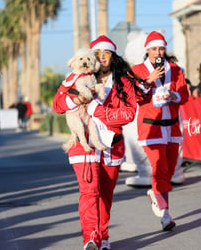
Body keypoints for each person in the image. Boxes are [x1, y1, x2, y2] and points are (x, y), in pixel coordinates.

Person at [53, 35, 144, 250]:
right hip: (84, 145)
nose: (102, 58)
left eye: (107, 54)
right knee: (89, 191)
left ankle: (103, 237)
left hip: (112, 145)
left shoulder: (124, 82)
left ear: (113, 57)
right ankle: (91, 238)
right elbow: (57, 104)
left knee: (105, 195)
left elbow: (129, 114)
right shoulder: (75, 76)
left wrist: (97, 110)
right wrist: (75, 100)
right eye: (98, 54)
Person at [131, 31, 189, 231]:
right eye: (154, 49)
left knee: (169, 171)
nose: (158, 52)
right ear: (147, 50)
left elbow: (185, 94)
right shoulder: (137, 70)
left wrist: (175, 95)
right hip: (151, 128)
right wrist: (148, 80)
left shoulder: (175, 69)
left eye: (161, 48)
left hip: (172, 127)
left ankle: (155, 195)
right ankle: (165, 214)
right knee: (160, 168)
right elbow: (134, 97)